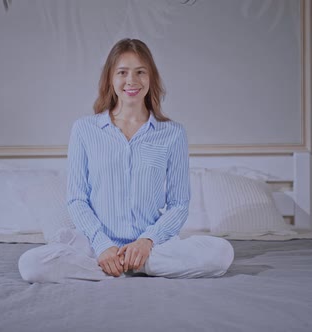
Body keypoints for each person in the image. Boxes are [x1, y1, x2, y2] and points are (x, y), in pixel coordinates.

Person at [18, 38, 234, 283]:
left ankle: (128, 265)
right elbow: (77, 199)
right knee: (30, 265)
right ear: (111, 78)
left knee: (222, 253)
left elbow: (179, 204)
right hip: (95, 245)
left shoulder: (173, 133)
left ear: (151, 77)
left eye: (140, 72)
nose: (131, 81)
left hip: (153, 247)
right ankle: (121, 264)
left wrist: (146, 242)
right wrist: (102, 246)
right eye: (122, 72)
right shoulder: (84, 129)